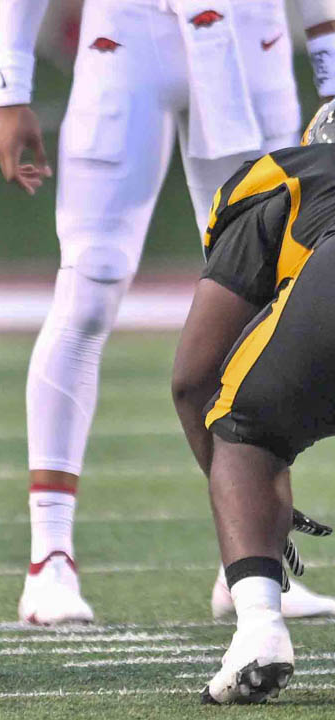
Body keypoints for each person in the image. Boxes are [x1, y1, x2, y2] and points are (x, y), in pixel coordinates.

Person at [0, 0, 335, 625]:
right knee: (89, 288)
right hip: (128, 37)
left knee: (268, 305)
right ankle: (50, 558)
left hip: (251, 42)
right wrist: (9, 84)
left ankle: (251, 565)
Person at [172, 100, 335, 704]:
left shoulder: (289, 174)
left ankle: (262, 630)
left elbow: (192, 378)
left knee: (245, 430)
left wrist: (244, 501)